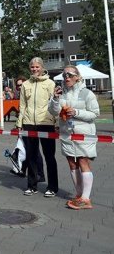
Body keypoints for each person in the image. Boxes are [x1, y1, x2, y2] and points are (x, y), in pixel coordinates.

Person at [48, 65, 100, 210]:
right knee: (72, 163)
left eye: (70, 75)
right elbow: (53, 111)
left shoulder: (87, 93)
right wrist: (55, 98)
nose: (67, 78)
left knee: (83, 162)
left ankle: (85, 198)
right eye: (64, 75)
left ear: (77, 77)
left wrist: (76, 112)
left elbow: (95, 113)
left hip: (84, 134)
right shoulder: (61, 93)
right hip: (67, 133)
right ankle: (79, 194)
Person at [15, 57, 58, 197]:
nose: (34, 69)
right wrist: (19, 123)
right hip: (29, 123)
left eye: (37, 67)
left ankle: (52, 187)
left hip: (46, 123)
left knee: (49, 156)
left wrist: (55, 122)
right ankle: (32, 185)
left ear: (42, 67)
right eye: (32, 67)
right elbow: (22, 105)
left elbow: (55, 104)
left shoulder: (50, 83)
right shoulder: (26, 84)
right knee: (31, 155)